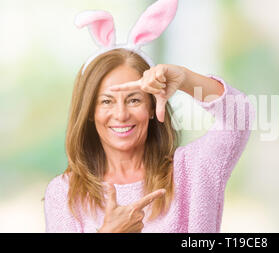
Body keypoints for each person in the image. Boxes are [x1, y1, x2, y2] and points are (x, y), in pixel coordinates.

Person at [44, 0, 255, 233]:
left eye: (134, 99)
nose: (121, 114)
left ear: (152, 107)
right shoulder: (64, 194)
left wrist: (184, 78)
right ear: (89, 113)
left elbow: (240, 117)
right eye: (106, 101)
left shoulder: (192, 171)